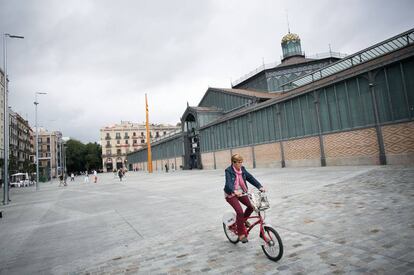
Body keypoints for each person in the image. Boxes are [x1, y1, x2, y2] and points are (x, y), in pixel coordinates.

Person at [224, 154, 265, 243]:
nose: (240, 164)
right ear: (233, 163)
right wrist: (234, 191)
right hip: (231, 194)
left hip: (241, 192)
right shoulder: (228, 170)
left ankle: (242, 221)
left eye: (241, 162)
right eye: (239, 162)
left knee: (251, 206)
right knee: (239, 211)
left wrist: (259, 186)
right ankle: (241, 233)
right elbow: (228, 183)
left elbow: (250, 177)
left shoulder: (242, 169)